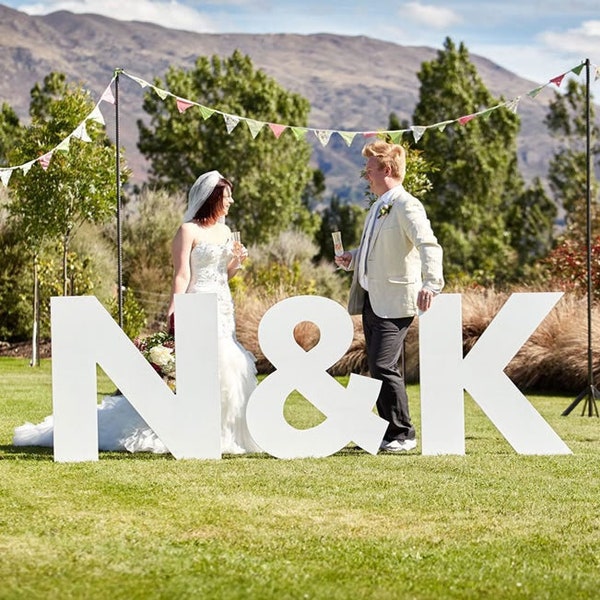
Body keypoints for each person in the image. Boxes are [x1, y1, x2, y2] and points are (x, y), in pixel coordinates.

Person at [14, 170, 262, 455]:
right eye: (227, 196)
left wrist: (237, 263)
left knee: (229, 364)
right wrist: (174, 310)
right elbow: (181, 275)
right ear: (211, 199)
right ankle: (188, 429)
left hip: (222, 306)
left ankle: (225, 432)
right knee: (202, 365)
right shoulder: (187, 231)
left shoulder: (226, 232)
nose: (231, 201)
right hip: (196, 301)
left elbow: (224, 274)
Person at [335, 140, 444, 453]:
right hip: (372, 297)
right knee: (381, 365)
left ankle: (403, 434)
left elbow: (429, 245)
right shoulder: (377, 206)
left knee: (382, 365)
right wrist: (353, 258)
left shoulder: (407, 205)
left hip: (396, 299)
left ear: (386, 169)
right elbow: (376, 251)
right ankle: (388, 433)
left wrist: (431, 283)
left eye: (370, 170)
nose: (366, 176)